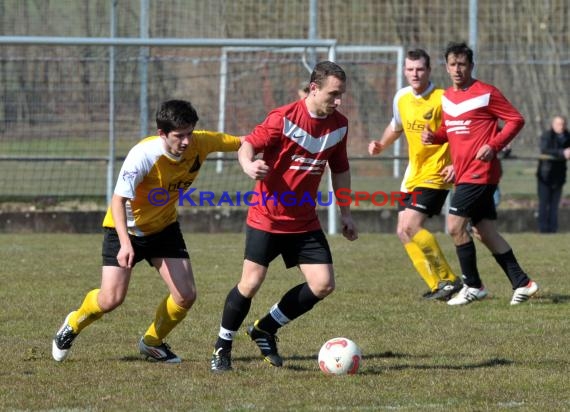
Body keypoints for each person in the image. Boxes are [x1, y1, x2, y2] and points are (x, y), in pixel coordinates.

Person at [52, 99, 242, 363]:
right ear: (161, 133)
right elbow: (117, 201)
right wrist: (125, 243)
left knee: (186, 296)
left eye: (190, 133)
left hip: (164, 228)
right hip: (125, 230)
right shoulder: (143, 156)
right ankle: (73, 323)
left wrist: (267, 146)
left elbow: (244, 141)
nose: (187, 141)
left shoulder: (201, 142)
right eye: (179, 136)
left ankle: (152, 342)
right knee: (111, 299)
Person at [210, 61, 358, 372]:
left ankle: (265, 327)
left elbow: (340, 169)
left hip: (304, 221)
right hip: (267, 217)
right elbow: (247, 145)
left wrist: (346, 213)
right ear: (314, 88)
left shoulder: (339, 126)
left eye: (341, 94)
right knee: (250, 283)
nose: (338, 100)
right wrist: (249, 166)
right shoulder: (283, 118)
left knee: (323, 283)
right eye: (334, 94)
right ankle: (222, 346)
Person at [421, 42, 539, 306]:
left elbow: (516, 119)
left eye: (462, 64)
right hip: (463, 173)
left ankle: (473, 285)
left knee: (454, 226)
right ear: (446, 67)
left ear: (471, 66)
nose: (457, 69)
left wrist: (493, 145)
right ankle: (523, 283)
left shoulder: (486, 93)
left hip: (480, 172)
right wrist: (436, 137)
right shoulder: (448, 97)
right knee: (484, 231)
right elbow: (455, 133)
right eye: (452, 64)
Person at [368, 48, 462, 301]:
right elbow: (395, 126)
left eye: (420, 69)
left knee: (411, 225)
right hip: (413, 174)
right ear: (404, 71)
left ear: (429, 71)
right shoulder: (401, 97)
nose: (415, 73)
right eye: (410, 69)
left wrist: (457, 164)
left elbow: (462, 132)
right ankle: (437, 284)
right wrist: (381, 144)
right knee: (402, 231)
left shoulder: (444, 99)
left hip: (436, 173)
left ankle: (452, 280)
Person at [536, 115, 570, 233]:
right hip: (545, 175)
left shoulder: (567, 136)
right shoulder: (547, 135)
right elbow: (544, 149)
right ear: (553, 124)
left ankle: (553, 229)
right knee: (544, 204)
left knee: (554, 205)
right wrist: (562, 152)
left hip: (559, 176)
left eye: (562, 124)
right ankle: (543, 229)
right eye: (558, 124)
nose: (560, 126)